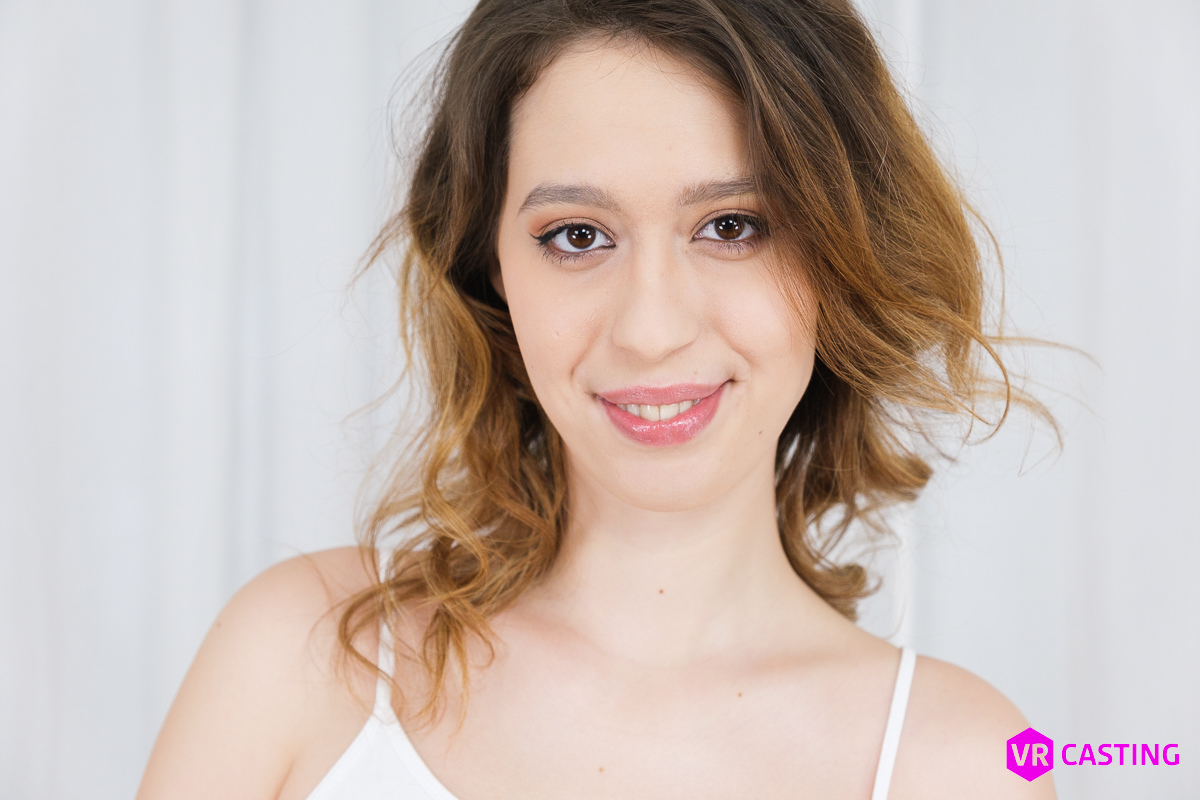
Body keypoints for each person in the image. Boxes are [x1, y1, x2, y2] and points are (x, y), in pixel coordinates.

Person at [137, 1, 1056, 798]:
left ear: (842, 252)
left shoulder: (967, 765)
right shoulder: (308, 654)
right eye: (578, 236)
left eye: (732, 226)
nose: (651, 329)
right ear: (492, 270)